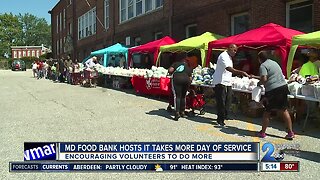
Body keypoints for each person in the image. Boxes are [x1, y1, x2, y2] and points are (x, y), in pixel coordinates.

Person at [251, 51, 295, 140]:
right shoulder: (274, 63)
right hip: (283, 87)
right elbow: (270, 76)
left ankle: (262, 133)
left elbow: (264, 78)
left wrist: (259, 83)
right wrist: (255, 77)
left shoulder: (263, 65)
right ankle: (290, 132)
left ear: (259, 59)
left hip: (273, 90)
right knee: (284, 110)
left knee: (267, 112)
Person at [213, 44, 249, 126]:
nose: (235, 52)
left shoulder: (229, 57)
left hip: (227, 81)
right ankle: (220, 119)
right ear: (229, 48)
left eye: (236, 51)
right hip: (220, 81)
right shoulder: (223, 56)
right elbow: (229, 69)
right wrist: (241, 72)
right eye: (234, 50)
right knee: (221, 101)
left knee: (228, 100)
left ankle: (225, 115)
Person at [168, 54, 192, 121]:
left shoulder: (175, 64)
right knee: (183, 96)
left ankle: (177, 113)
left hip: (177, 79)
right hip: (186, 80)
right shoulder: (187, 66)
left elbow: (170, 70)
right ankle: (182, 112)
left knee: (177, 96)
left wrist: (170, 70)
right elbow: (190, 77)